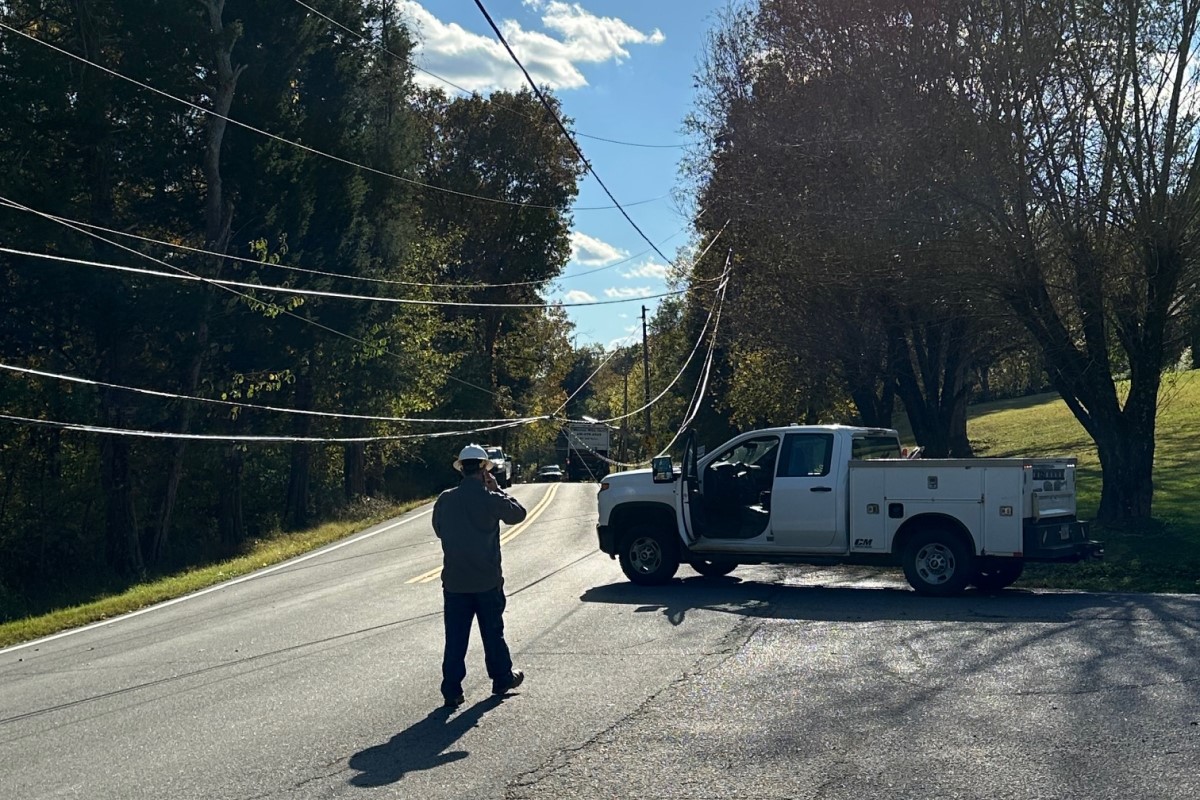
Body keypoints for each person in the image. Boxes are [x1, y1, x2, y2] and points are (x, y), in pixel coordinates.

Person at [431, 443, 528, 708]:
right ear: (485, 470)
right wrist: (497, 490)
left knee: (455, 638)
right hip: (487, 581)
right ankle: (501, 678)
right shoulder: (491, 498)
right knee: (493, 632)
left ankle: (452, 690)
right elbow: (518, 514)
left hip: (455, 583)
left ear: (461, 469)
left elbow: (439, 530)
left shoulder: (445, 499)